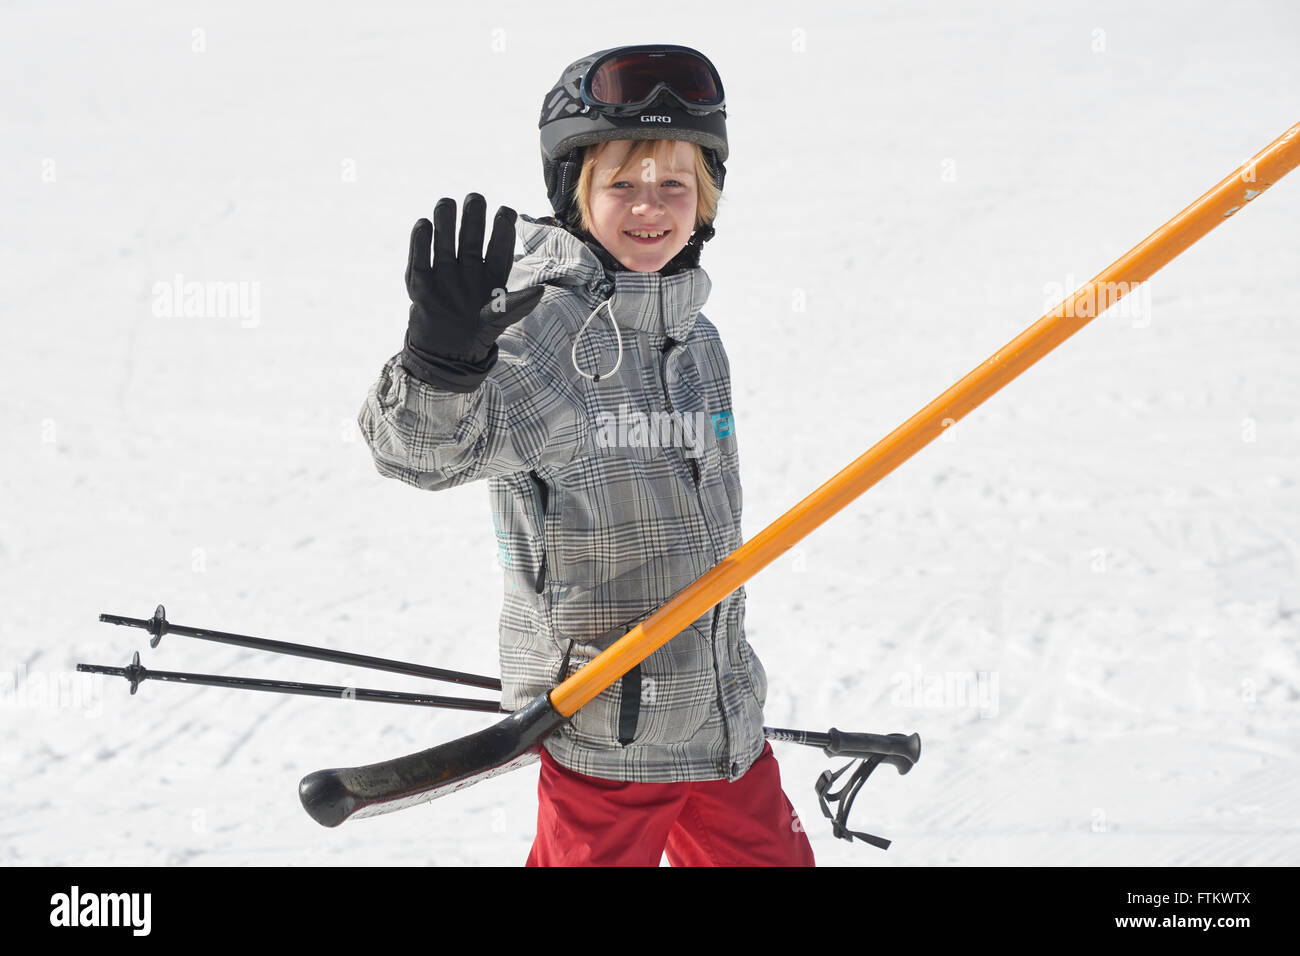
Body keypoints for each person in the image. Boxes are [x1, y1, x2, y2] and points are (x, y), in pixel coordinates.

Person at [359, 44, 814, 867]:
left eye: (675, 183)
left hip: (721, 716)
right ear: (576, 194)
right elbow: (420, 454)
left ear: (706, 199)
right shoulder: (547, 336)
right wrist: (441, 366)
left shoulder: (698, 338)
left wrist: (723, 688)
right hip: (607, 727)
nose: (651, 205)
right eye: (622, 184)